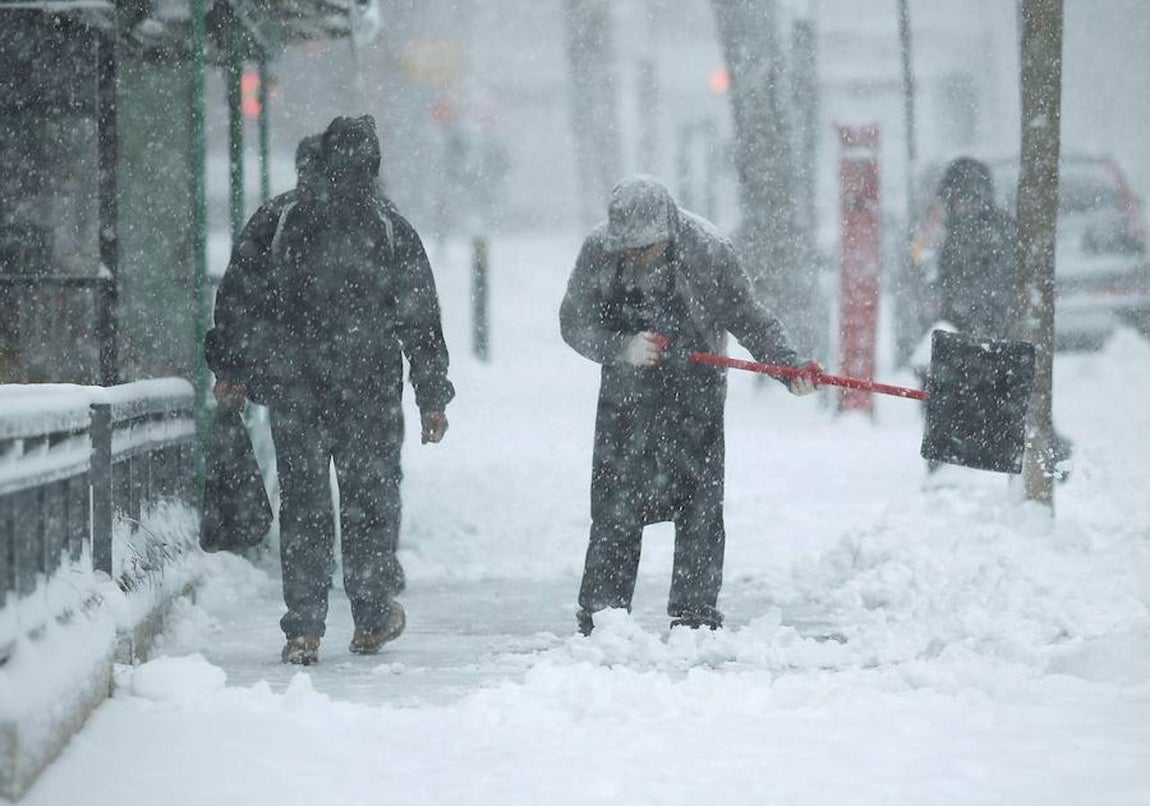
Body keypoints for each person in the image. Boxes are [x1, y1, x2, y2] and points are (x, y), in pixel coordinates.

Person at [205, 116, 455, 665]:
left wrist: (232, 367)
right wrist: (431, 393)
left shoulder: (280, 216)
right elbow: (419, 316)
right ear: (372, 165)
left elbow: (239, 294)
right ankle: (369, 618)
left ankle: (303, 628)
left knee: (304, 504)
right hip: (368, 391)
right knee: (370, 500)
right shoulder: (388, 226)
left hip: (296, 388)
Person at [560, 175, 819, 635]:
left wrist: (788, 367)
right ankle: (603, 613)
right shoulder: (599, 251)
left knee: (699, 507)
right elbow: (573, 322)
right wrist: (623, 347)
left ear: (669, 230)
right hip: (625, 402)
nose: (636, 258)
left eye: (647, 248)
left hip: (694, 399)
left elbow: (749, 318)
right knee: (615, 508)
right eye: (629, 250)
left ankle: (694, 614)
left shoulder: (709, 251)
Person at [933, 156, 1071, 477]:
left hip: (991, 339)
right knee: (997, 410)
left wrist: (976, 329)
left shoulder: (991, 233)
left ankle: (1046, 460)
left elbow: (993, 291)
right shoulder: (967, 234)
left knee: (1001, 410)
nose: (956, 205)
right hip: (975, 338)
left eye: (962, 197)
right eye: (953, 199)